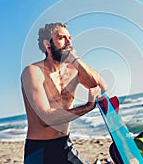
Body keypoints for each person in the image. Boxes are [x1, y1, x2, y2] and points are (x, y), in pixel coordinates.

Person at [21, 22, 107, 164]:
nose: (69, 42)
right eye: (62, 38)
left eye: (69, 38)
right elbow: (45, 119)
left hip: (65, 145)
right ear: (47, 45)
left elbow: (101, 86)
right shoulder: (33, 72)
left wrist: (76, 60)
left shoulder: (72, 70)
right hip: (40, 151)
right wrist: (87, 107)